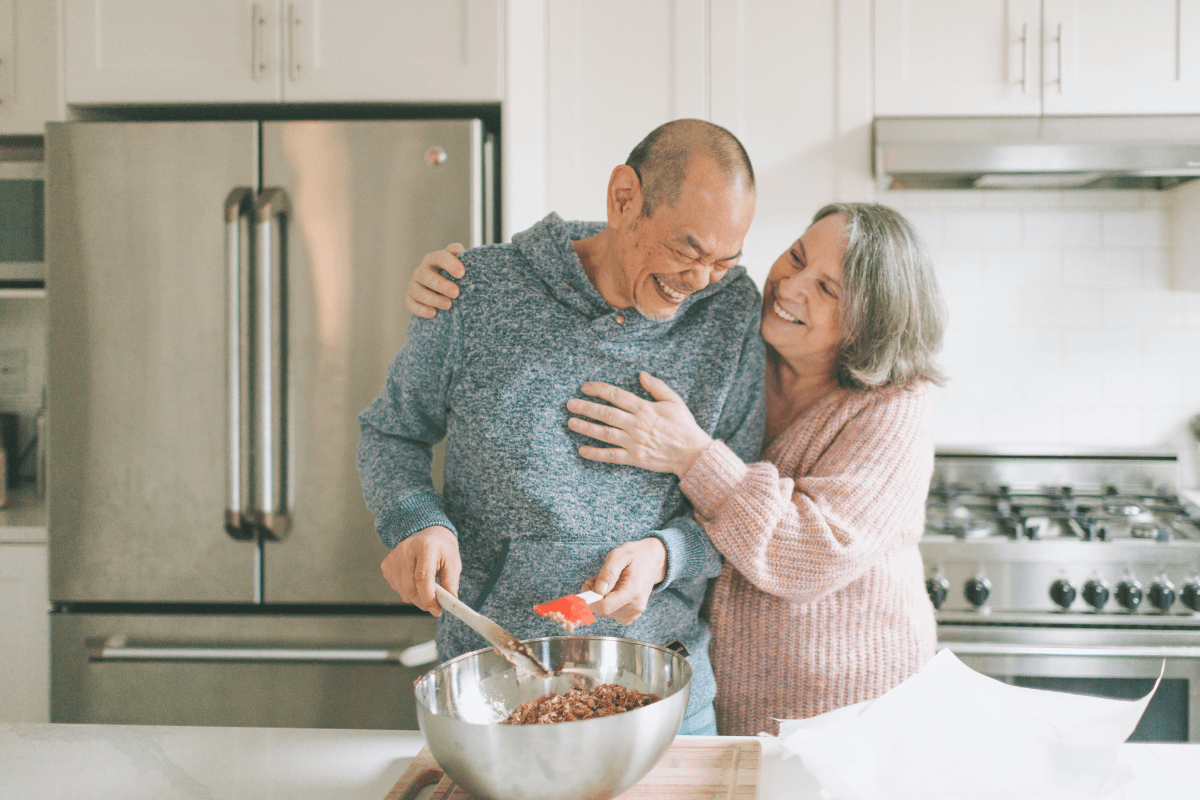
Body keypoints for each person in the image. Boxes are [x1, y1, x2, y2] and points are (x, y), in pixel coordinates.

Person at [407, 202, 946, 736]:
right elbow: (638, 251)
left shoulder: (895, 407)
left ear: (871, 324)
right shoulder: (746, 342)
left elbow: (810, 553)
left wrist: (692, 456)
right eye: (797, 256)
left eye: (827, 289)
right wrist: (480, 274)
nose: (790, 285)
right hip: (728, 697)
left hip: (853, 710)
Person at [357, 119, 766, 736]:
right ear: (624, 197)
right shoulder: (477, 291)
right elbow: (392, 433)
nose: (700, 281)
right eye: (687, 251)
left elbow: (738, 499)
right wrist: (418, 522)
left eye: (724, 260)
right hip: (494, 689)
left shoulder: (730, 312)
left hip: (664, 698)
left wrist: (665, 555)